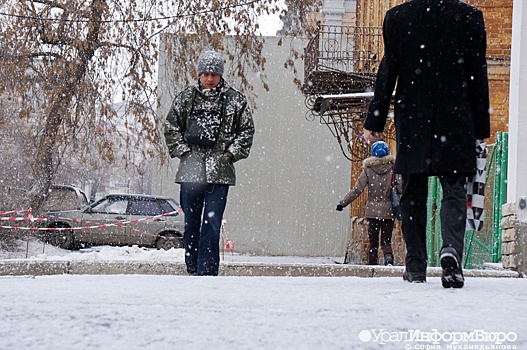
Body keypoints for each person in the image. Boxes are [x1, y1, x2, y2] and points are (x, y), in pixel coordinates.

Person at [363, 0, 491, 288]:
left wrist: (375, 121)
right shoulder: (469, 17)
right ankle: (451, 253)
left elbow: (389, 70)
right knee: (454, 188)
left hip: (414, 117)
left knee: (413, 191)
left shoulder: (398, 17)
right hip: (456, 117)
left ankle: (416, 264)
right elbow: (477, 74)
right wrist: (481, 126)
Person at [164, 50, 255, 276]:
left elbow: (246, 131)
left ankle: (208, 272)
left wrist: (230, 154)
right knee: (191, 224)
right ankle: (193, 267)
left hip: (220, 173)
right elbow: (171, 127)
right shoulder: (185, 98)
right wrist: (185, 153)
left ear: (220, 74)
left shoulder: (236, 100)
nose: (209, 78)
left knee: (211, 225)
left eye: (214, 73)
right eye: (205, 73)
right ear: (199, 74)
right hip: (190, 173)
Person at [336, 141, 401, 266]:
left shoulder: (368, 169)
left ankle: (372, 265)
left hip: (372, 212)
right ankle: (388, 260)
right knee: (386, 241)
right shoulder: (393, 168)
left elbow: (357, 190)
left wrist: (343, 203)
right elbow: (401, 188)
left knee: (373, 242)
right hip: (388, 211)